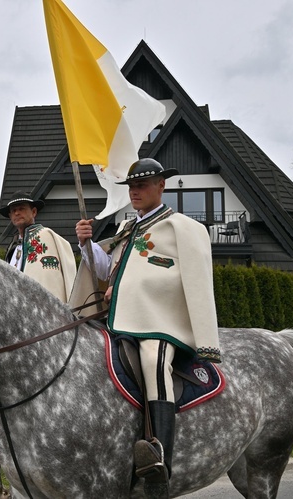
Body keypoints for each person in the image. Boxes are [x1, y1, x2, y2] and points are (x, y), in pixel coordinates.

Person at [74, 158, 220, 495]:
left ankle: (160, 466)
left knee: (154, 361)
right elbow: (104, 268)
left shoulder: (180, 227)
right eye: (131, 186)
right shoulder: (126, 228)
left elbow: (189, 279)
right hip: (119, 320)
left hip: (162, 323)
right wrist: (86, 243)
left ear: (161, 186)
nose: (135, 191)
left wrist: (132, 287)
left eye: (142, 185)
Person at [0, 191, 76, 302]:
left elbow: (51, 279)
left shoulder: (46, 236)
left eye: (21, 209)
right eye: (13, 211)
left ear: (34, 212)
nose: (17, 213)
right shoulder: (13, 247)